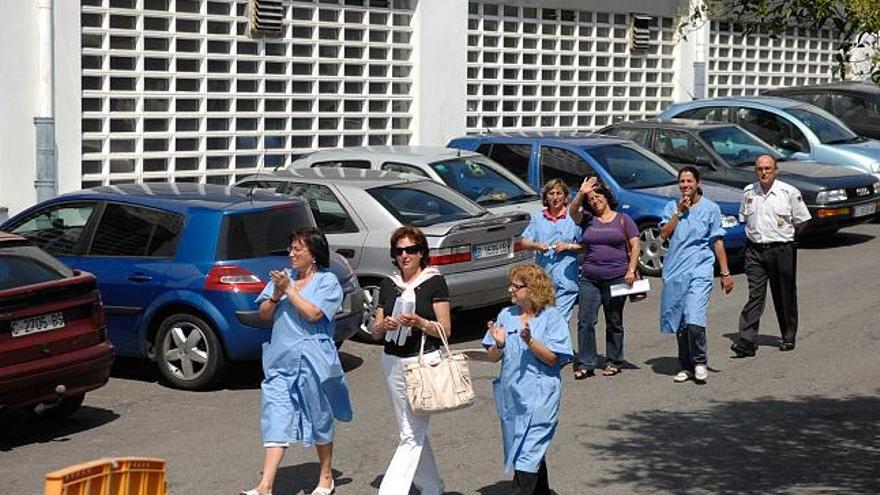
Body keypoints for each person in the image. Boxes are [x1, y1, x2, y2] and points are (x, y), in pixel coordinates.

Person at [242, 228, 352, 495]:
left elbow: (313, 314)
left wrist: (289, 290)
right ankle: (265, 485)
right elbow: (264, 314)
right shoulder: (284, 278)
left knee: (319, 416)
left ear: (313, 253)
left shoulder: (327, 282)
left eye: (297, 249)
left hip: (315, 360)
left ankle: (325, 475)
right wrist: (276, 293)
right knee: (275, 415)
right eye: (290, 248)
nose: (291, 254)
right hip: (281, 360)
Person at [371, 225, 451, 495]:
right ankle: (432, 488)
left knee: (410, 434)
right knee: (410, 429)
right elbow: (375, 328)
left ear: (421, 253)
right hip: (392, 361)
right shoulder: (388, 284)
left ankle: (390, 491)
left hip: (423, 362)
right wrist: (386, 325)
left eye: (411, 250)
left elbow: (445, 329)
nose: (405, 255)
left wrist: (419, 322)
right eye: (399, 251)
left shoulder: (434, 281)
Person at [483, 263, 574, 495]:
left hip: (541, 398)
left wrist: (530, 341)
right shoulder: (506, 315)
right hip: (513, 397)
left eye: (516, 286)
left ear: (532, 289)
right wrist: (499, 344)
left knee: (527, 453)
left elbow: (554, 359)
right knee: (523, 448)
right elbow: (492, 357)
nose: (510, 290)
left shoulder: (552, 317)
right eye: (510, 285)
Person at [659, 166, 735, 384]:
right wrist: (678, 213)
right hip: (676, 269)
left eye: (689, 181)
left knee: (694, 317)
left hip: (700, 268)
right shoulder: (671, 207)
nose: (685, 185)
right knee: (680, 320)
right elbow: (664, 234)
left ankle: (700, 361)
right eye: (682, 182)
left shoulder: (711, 209)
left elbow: (717, 240)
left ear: (698, 183)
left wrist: (725, 272)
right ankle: (686, 365)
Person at [731, 154, 811, 357]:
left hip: (781, 249)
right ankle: (746, 341)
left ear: (776, 170)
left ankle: (787, 335)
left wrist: (788, 238)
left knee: (784, 294)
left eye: (768, 168)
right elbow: (745, 218)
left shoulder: (789, 192)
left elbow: (802, 221)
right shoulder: (749, 192)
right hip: (755, 250)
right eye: (759, 169)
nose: (764, 173)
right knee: (755, 295)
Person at [568, 176, 640, 379]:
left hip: (617, 276)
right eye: (590, 199)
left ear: (606, 197)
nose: (594, 201)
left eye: (597, 196)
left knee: (614, 320)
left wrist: (631, 271)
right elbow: (572, 212)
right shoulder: (588, 220)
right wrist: (581, 193)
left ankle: (614, 360)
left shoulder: (623, 219)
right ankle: (586, 362)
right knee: (585, 320)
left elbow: (635, 246)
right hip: (590, 277)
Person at [519, 179, 583, 322]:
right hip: (543, 279)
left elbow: (585, 245)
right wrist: (537, 246)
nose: (555, 197)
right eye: (551, 193)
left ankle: (555, 344)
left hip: (566, 279)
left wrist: (568, 246)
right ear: (546, 197)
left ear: (565, 197)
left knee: (559, 320)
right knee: (543, 319)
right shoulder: (539, 218)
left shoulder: (573, 217)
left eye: (559, 193)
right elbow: (524, 242)